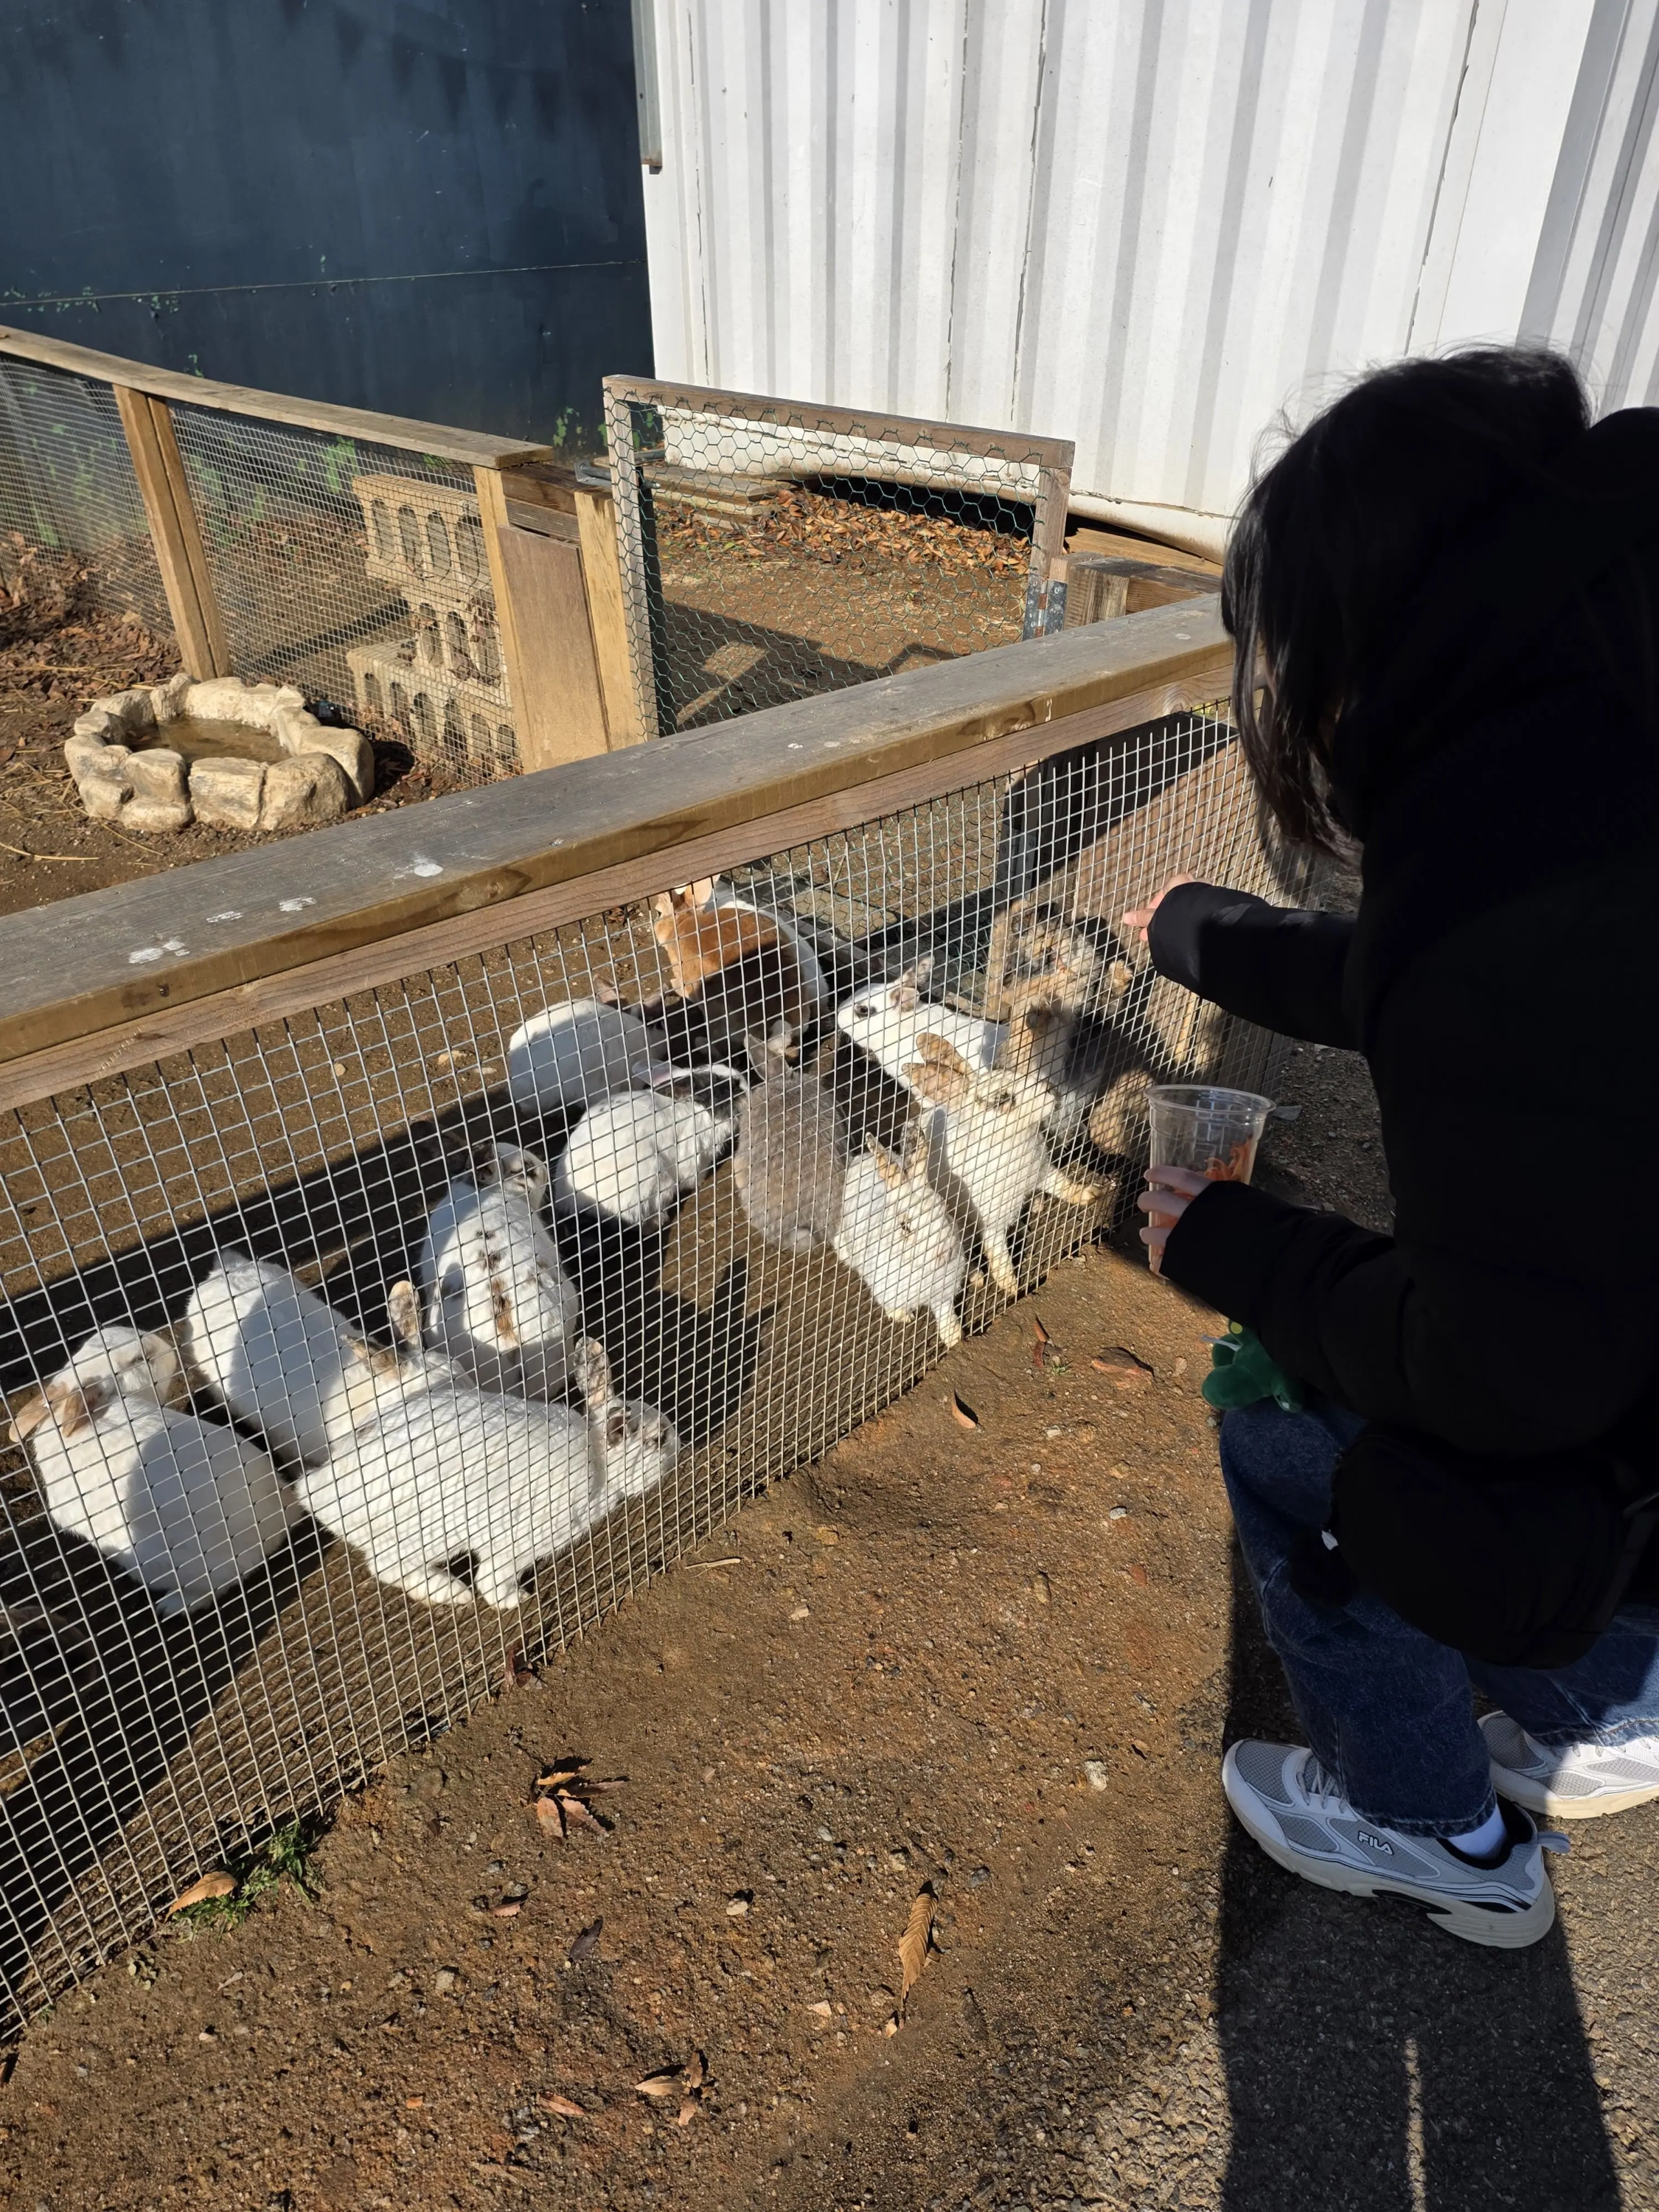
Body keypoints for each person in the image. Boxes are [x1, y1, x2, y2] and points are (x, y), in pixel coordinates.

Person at [1125, 347, 1659, 1950]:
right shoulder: (1605, 723)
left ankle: (1430, 1825)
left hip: (1604, 1396)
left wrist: (1237, 1250)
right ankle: (1613, 1703)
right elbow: (1487, 999)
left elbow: (1504, 1368)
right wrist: (1209, 939)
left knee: (1283, 1423)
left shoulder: (1507, 853)